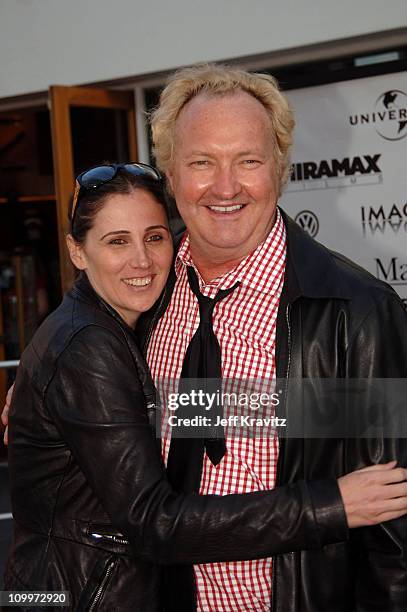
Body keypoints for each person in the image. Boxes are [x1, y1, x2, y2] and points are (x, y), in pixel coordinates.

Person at [6, 164, 404, 612]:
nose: (141, 260)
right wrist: (332, 504)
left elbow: (192, 406)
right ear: (77, 252)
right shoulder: (89, 344)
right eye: (116, 241)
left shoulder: (132, 317)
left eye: (154, 237)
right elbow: (155, 523)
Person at [135, 64, 406, 611]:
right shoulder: (141, 293)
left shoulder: (356, 313)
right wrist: (47, 379)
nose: (225, 187)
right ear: (170, 172)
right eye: (202, 162)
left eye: (248, 160)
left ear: (279, 168)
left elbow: (392, 530)